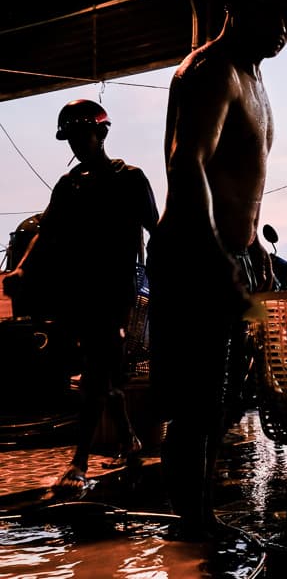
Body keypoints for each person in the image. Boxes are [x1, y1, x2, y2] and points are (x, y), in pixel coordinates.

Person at [147, 0, 287, 540]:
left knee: (220, 399)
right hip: (194, 253)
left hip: (229, 251)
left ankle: (198, 514)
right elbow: (186, 164)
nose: (285, 28)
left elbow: (238, 177)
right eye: (275, 12)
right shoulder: (211, 70)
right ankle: (191, 523)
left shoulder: (255, 78)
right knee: (195, 403)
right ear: (238, 4)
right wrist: (217, 256)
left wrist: (251, 244)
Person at [3, 98, 159, 492]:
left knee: (95, 370)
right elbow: (47, 231)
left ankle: (79, 462)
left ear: (102, 133)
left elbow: (156, 229)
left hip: (119, 288)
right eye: (70, 137)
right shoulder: (69, 186)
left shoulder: (131, 179)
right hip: (80, 289)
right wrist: (22, 268)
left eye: (82, 134)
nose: (76, 143)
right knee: (103, 365)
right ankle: (129, 439)